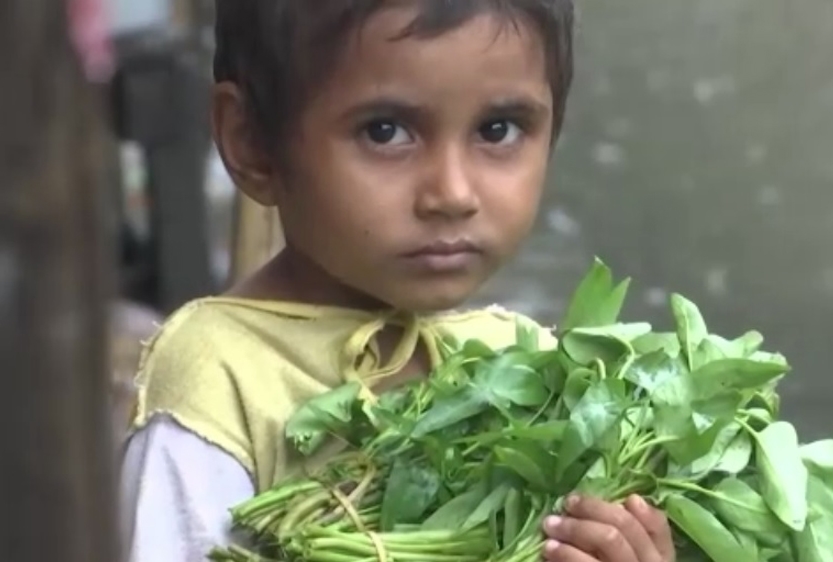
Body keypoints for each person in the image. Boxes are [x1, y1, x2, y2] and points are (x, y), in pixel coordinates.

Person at [119, 2, 677, 562]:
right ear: (252, 142)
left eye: (497, 129)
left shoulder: (528, 365)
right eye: (385, 132)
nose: (453, 193)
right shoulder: (220, 384)